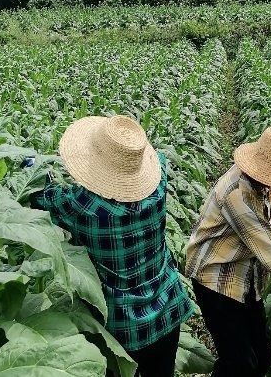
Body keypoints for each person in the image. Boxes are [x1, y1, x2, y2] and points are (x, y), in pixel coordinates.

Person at [31, 115, 194, 377]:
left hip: (121, 325)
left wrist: (36, 169)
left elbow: (41, 197)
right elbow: (159, 159)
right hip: (166, 307)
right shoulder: (159, 182)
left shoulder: (82, 206)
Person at [186, 124, 271, 377]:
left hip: (247, 274)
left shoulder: (268, 178)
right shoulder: (237, 192)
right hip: (215, 276)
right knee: (239, 362)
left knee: (262, 352)